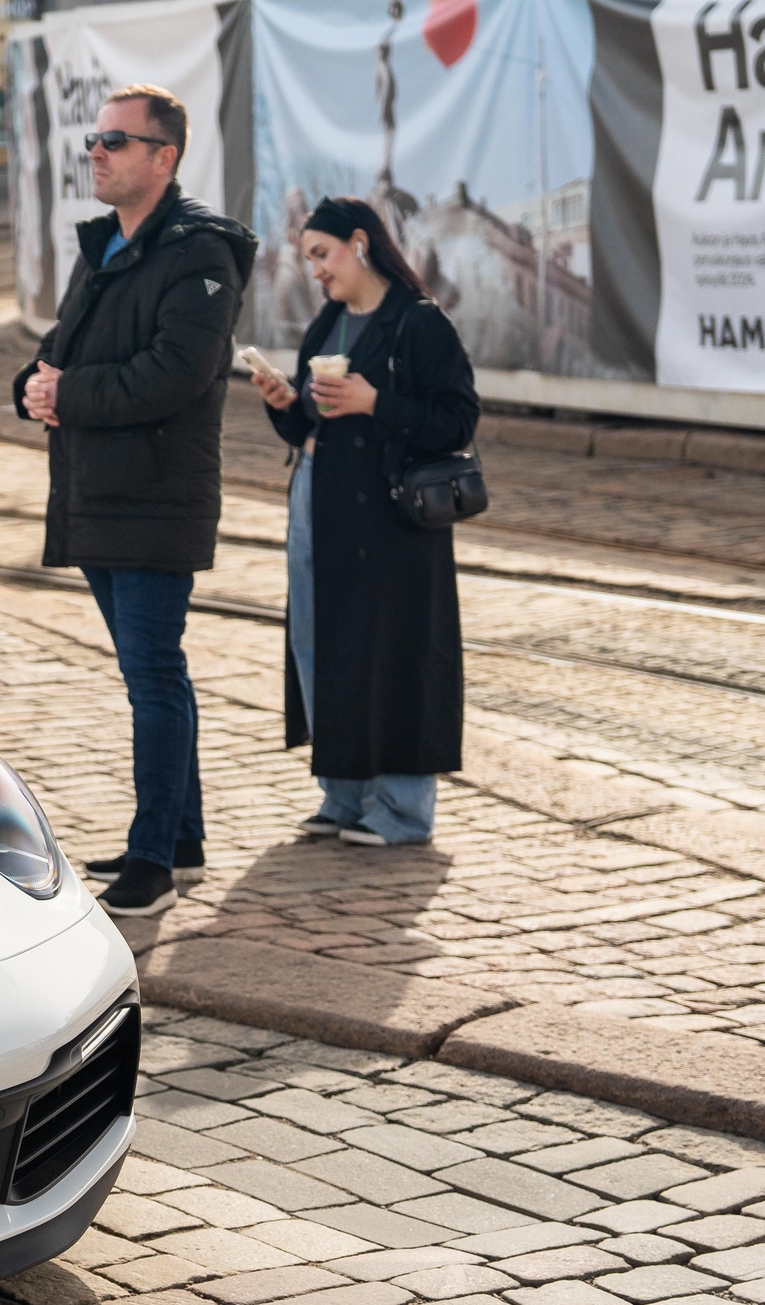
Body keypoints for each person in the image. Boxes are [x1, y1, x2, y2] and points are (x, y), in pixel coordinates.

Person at [13, 84, 254, 918]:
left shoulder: (199, 255)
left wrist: (67, 393)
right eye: (96, 139)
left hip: (157, 494)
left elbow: (175, 375)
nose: (99, 152)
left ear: (165, 157)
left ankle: (152, 859)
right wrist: (32, 387)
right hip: (98, 491)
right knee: (151, 672)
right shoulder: (105, 248)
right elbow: (58, 351)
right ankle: (178, 839)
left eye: (118, 140)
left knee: (153, 674)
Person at [251, 196, 479, 847]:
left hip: (389, 515)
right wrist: (283, 404)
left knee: (396, 650)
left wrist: (377, 402)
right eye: (308, 259)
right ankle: (343, 796)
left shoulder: (419, 322)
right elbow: (310, 424)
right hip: (319, 500)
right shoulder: (326, 323)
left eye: (322, 254)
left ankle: (402, 809)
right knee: (322, 644)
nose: (316, 270)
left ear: (359, 242)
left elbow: (458, 420)